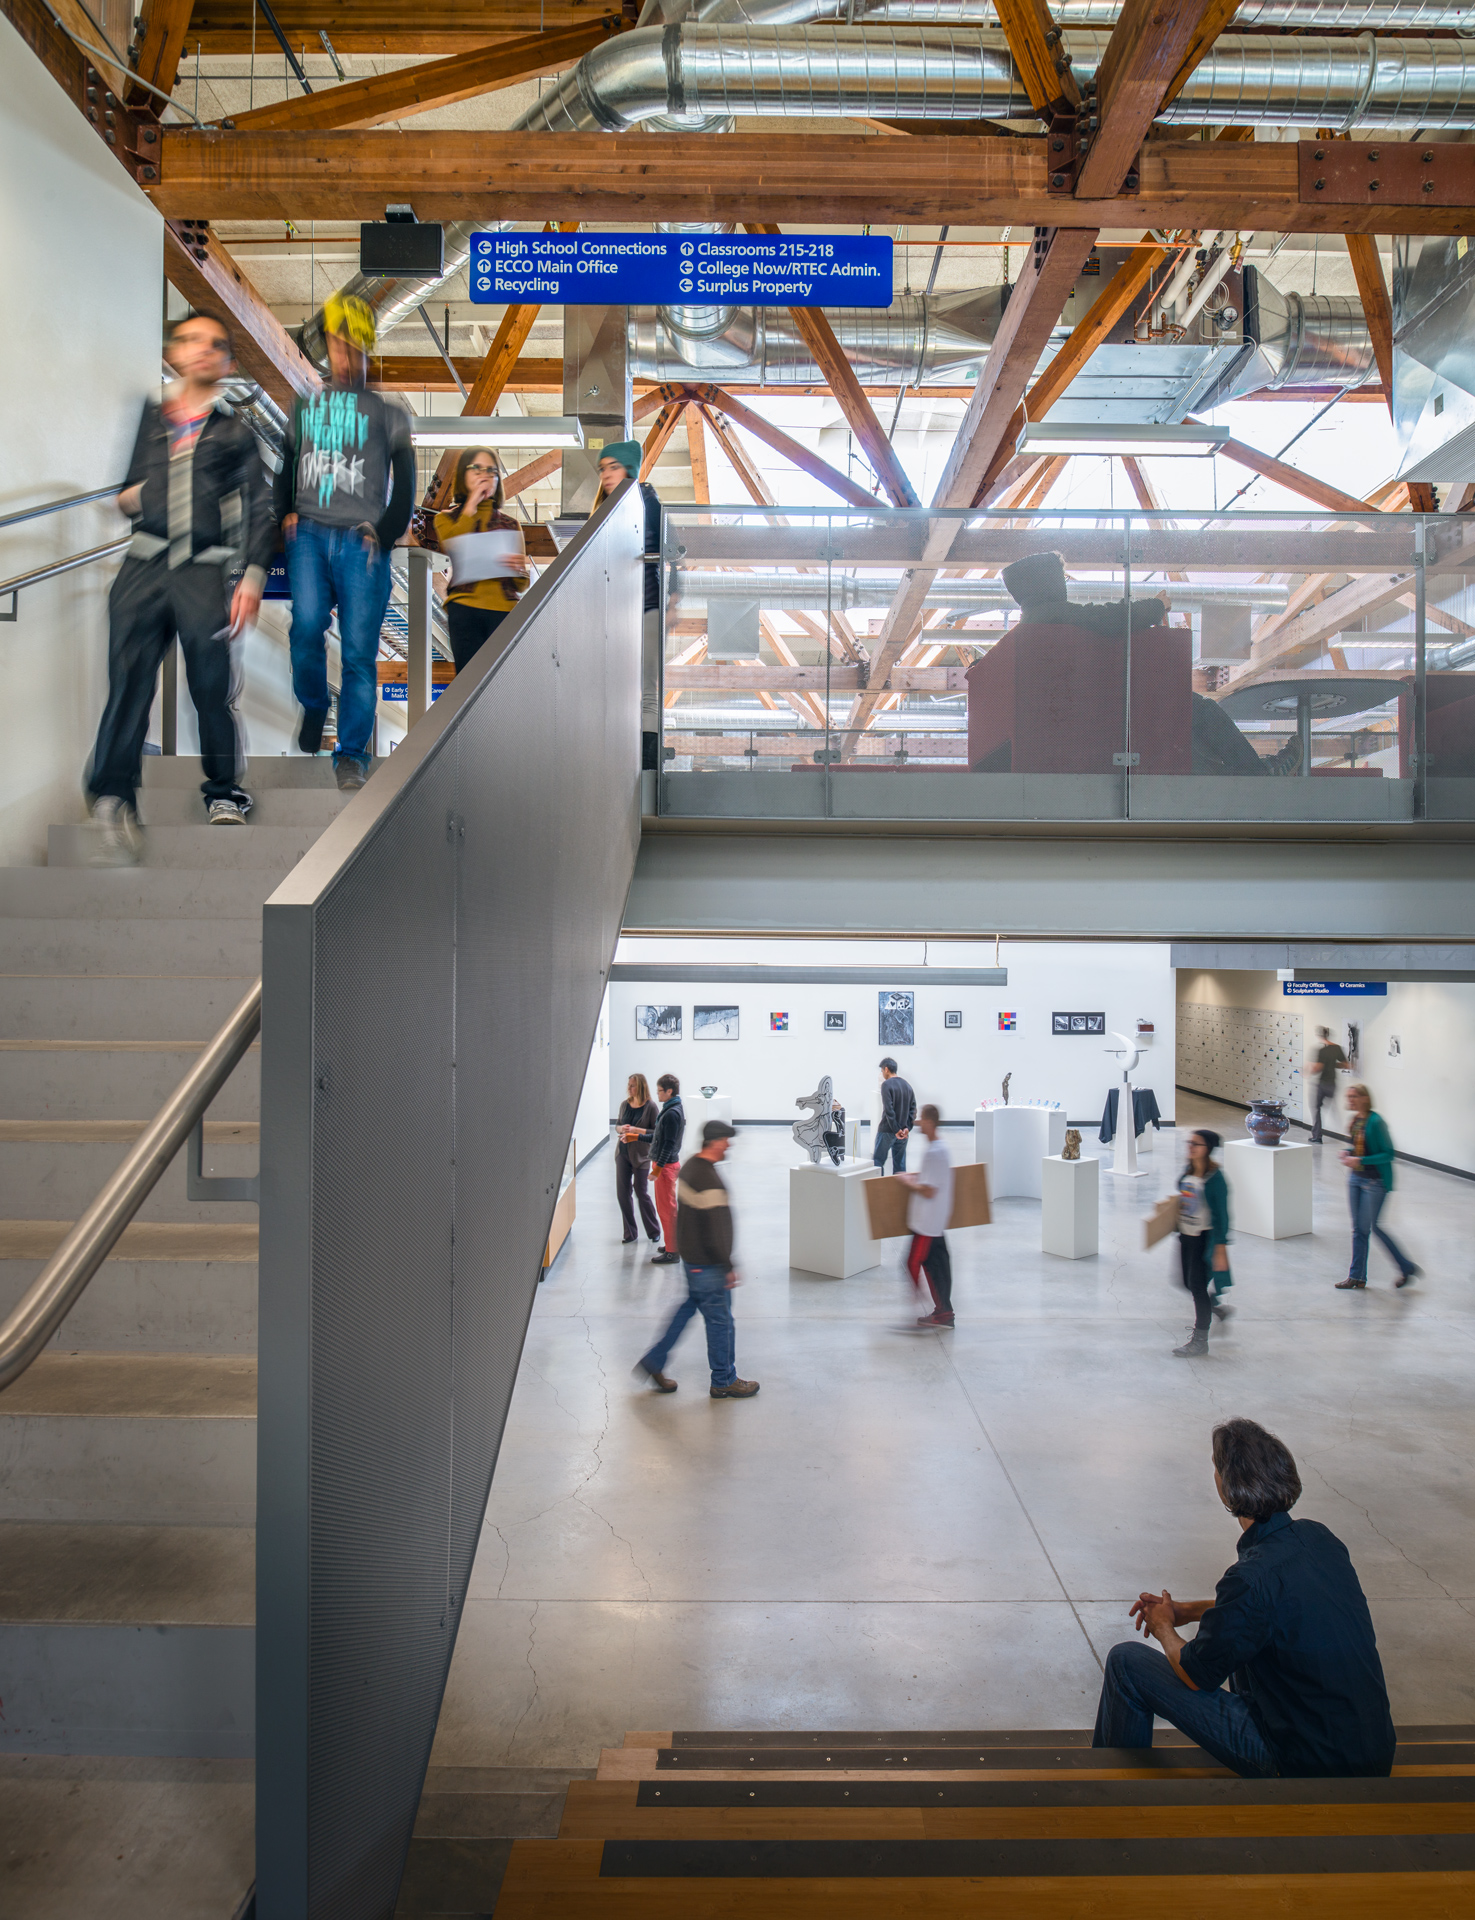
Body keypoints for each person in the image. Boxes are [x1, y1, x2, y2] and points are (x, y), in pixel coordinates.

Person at [1093, 1418, 1395, 1779]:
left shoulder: (1250, 1579)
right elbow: (1271, 1607)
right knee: (1247, 1645)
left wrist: (1164, 1627)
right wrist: (1188, 1611)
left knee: (1126, 1662)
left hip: (1305, 1767)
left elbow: (1194, 1673)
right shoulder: (1319, 1539)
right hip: (1373, 1753)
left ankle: (1111, 1792)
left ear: (1227, 1489)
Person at [87, 311, 273, 863]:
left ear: (227, 363)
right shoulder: (151, 419)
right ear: (175, 351)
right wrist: (159, 488)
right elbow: (124, 498)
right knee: (128, 686)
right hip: (142, 568)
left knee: (211, 688)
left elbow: (260, 508)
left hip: (202, 571)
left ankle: (223, 791)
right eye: (191, 340)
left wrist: (252, 577)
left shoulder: (234, 433)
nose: (201, 350)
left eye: (215, 345)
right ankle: (112, 795)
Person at [276, 293, 415, 792]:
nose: (345, 356)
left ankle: (351, 754)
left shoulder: (389, 414)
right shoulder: (306, 406)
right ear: (329, 347)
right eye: (338, 345)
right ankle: (315, 704)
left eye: (355, 347)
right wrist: (285, 512)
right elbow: (286, 466)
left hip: (363, 543)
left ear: (366, 351)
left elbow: (407, 484)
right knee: (306, 627)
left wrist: (385, 531)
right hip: (310, 532)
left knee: (359, 653)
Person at [1000, 551, 1300, 777]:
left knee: (1180, 722)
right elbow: (1112, 617)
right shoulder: (1056, 615)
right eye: (1062, 578)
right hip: (1104, 721)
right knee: (1197, 709)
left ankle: (1232, 775)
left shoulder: (1027, 629)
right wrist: (1158, 605)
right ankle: (1257, 774)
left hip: (1074, 729)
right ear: (1048, 583)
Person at [635, 1121, 759, 1399]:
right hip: (709, 1265)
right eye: (727, 1140)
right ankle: (724, 1380)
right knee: (721, 1323)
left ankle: (654, 1361)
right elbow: (715, 1232)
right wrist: (727, 1266)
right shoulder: (707, 1179)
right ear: (715, 1142)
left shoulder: (691, 1167)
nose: (729, 1145)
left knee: (687, 1310)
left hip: (693, 1263)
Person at [432, 446, 529, 674]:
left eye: (491, 471)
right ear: (462, 476)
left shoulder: (511, 524)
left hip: (505, 612)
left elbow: (522, 584)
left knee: (504, 683)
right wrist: (472, 503)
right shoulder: (446, 519)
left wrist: (518, 570)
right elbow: (454, 545)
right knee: (469, 682)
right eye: (476, 468)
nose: (484, 475)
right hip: (465, 610)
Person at [596, 441, 663, 771]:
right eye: (603, 468)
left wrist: (673, 600)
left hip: (648, 606)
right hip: (614, 613)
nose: (606, 474)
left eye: (613, 467)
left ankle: (648, 768)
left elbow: (672, 551)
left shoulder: (647, 502)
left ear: (629, 469)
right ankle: (617, 759)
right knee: (615, 688)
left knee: (646, 688)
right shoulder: (602, 512)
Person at [1336, 1083, 1420, 1290]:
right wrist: (1348, 1152)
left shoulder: (1376, 1122)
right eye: (1349, 1096)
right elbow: (1358, 1147)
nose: (1351, 1100)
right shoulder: (1356, 1121)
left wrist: (1361, 1161)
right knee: (1359, 1229)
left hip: (1375, 1182)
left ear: (1365, 1098)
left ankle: (1405, 1266)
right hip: (1355, 1179)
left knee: (1372, 1228)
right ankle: (1357, 1276)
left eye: (1354, 1096)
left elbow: (1388, 1153)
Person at [1172, 1128, 1232, 1359]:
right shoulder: (1189, 1171)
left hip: (1203, 1240)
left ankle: (1200, 1341)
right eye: (1189, 1143)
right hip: (1185, 1236)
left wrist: (1220, 1248)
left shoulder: (1216, 1179)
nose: (1190, 1147)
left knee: (1196, 1286)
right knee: (1186, 1283)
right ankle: (1215, 1307)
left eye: (1196, 1144)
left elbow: (1222, 1216)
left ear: (1207, 1149)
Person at [899, 1104, 955, 1328]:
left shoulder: (934, 1153)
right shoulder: (940, 1148)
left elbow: (929, 1190)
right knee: (938, 1265)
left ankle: (941, 1312)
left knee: (917, 1264)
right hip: (933, 1221)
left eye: (922, 1119)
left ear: (930, 1123)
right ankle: (944, 1312)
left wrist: (907, 1181)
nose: (918, 1122)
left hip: (927, 1224)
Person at [615, 1072, 660, 1246]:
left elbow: (656, 1133)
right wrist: (621, 1129)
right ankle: (630, 1233)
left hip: (641, 1156)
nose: (629, 1088)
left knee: (641, 1193)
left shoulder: (650, 1107)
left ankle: (654, 1231)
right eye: (628, 1085)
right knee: (622, 1194)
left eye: (632, 1085)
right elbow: (617, 1126)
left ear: (640, 1086)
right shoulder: (624, 1105)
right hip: (623, 1154)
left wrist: (635, 1130)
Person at [649, 1074, 685, 1265]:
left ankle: (673, 1252)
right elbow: (659, 1138)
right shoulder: (671, 1109)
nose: (658, 1094)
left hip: (666, 1168)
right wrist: (636, 1137)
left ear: (669, 1091)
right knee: (665, 1208)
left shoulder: (671, 1113)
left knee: (667, 1210)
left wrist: (657, 1169)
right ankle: (672, 1244)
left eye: (660, 1091)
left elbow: (668, 1145)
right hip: (665, 1166)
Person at [1305, 1025, 1348, 1145]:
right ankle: (1346, 1134)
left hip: (1322, 1084)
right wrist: (1333, 1064)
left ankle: (1317, 1136)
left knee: (1316, 1109)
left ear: (1319, 1035)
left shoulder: (1321, 1051)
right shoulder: (1337, 1048)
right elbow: (1346, 1065)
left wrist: (1308, 1071)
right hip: (1333, 1084)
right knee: (1333, 1109)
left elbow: (1318, 1068)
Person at [874, 1057, 916, 1174]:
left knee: (878, 1161)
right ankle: (900, 1191)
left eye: (882, 1071)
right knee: (900, 1164)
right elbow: (913, 1109)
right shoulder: (907, 1085)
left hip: (887, 1130)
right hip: (903, 1132)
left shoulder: (886, 1085)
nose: (882, 1074)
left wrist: (896, 1129)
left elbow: (889, 1109)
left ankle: (878, 1190)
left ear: (886, 1069)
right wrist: (907, 1128)